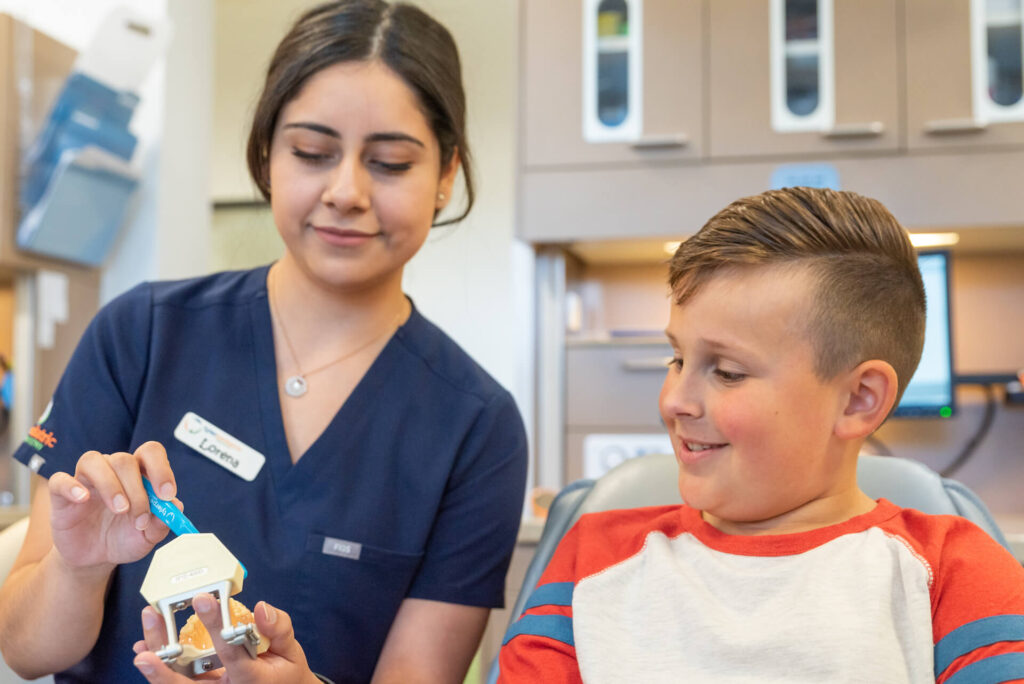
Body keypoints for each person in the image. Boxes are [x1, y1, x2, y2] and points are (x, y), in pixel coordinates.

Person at [0, 2, 528, 682]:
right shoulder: (143, 334)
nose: (346, 191)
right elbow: (22, 649)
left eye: (391, 163)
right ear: (266, 154)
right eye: (311, 153)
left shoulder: (476, 430)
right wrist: (79, 568)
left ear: (447, 174)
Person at [497, 187, 1024, 683]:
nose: (674, 400)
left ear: (859, 399)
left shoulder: (954, 574)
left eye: (726, 371)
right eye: (677, 359)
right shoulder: (594, 558)